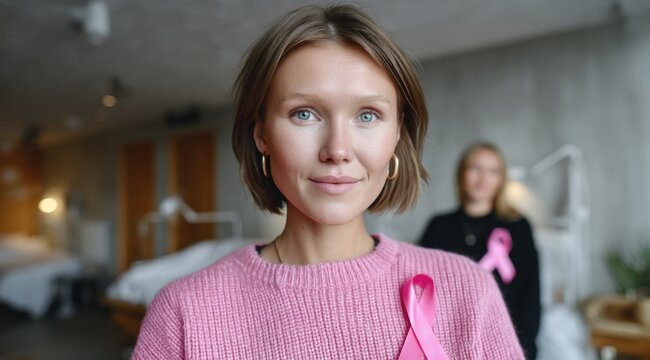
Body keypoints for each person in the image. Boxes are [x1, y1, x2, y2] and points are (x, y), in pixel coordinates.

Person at [133, 5, 524, 359]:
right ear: (261, 134)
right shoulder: (184, 314)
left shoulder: (468, 291)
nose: (337, 149)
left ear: (396, 135)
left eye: (368, 115)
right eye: (304, 114)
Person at [419, 142, 541, 359]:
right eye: (475, 168)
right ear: (461, 173)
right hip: (447, 340)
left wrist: (523, 350)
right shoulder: (438, 226)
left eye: (493, 171)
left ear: (501, 180)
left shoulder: (519, 227)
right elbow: (422, 291)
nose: (483, 178)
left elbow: (530, 296)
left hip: (506, 339)